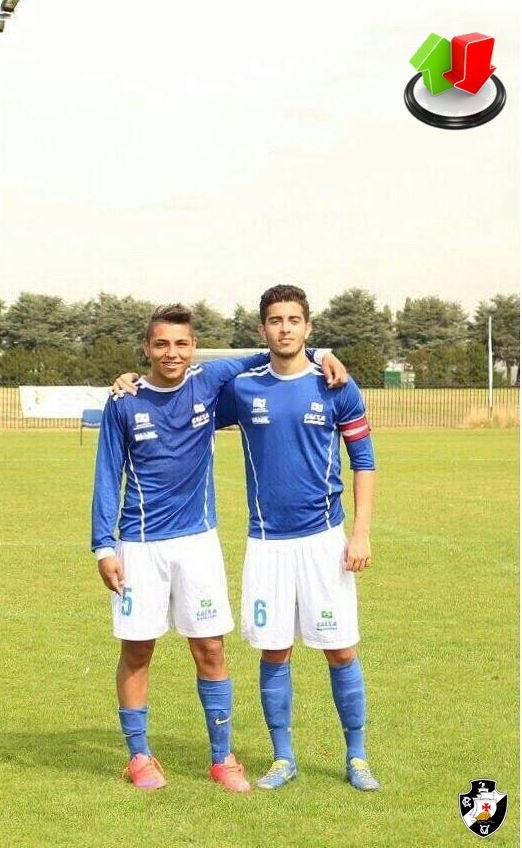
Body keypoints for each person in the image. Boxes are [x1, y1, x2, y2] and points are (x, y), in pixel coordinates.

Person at [92, 302, 346, 792]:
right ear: (146, 348)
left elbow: (274, 349)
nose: (172, 353)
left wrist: (324, 351)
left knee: (210, 647)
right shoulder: (123, 402)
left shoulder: (208, 382)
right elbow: (107, 476)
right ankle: (139, 756)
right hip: (139, 546)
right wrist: (104, 546)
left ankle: (221, 757)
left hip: (199, 543)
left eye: (181, 343)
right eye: (161, 344)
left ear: (194, 348)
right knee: (138, 649)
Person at [214, 285, 380, 791]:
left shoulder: (337, 387)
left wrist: (361, 533)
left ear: (308, 327)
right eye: (274, 320)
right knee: (274, 650)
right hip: (266, 545)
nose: (284, 328)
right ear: (262, 329)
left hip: (325, 542)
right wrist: (132, 382)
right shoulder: (244, 388)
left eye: (293, 320)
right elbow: (184, 403)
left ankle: (356, 756)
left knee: (341, 650)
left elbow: (364, 462)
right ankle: (283, 757)